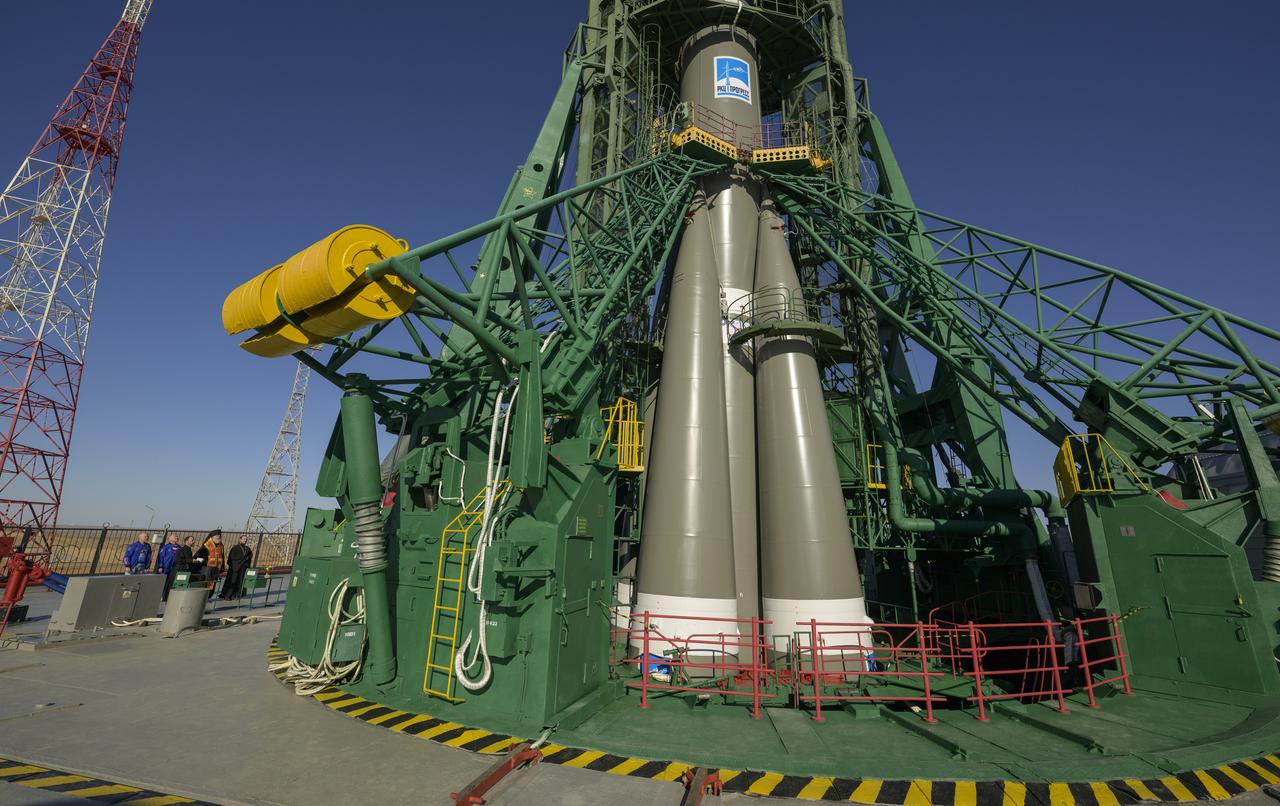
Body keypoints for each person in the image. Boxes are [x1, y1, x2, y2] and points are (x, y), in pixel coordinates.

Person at [221, 536, 253, 601]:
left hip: (243, 568)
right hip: (235, 568)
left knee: (240, 581)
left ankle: (236, 595)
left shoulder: (247, 548)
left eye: (246, 539)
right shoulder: (235, 548)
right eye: (243, 539)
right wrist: (242, 560)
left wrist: (247, 560)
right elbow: (232, 558)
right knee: (232, 581)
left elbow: (250, 556)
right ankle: (227, 595)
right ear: (240, 539)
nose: (245, 540)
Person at [156, 534, 180, 601]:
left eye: (177, 537)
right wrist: (160, 566)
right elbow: (161, 557)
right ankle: (161, 595)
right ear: (170, 539)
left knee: (172, 582)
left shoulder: (179, 547)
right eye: (175, 537)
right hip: (166, 567)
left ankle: (169, 596)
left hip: (175, 567)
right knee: (164, 582)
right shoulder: (166, 547)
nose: (177, 538)